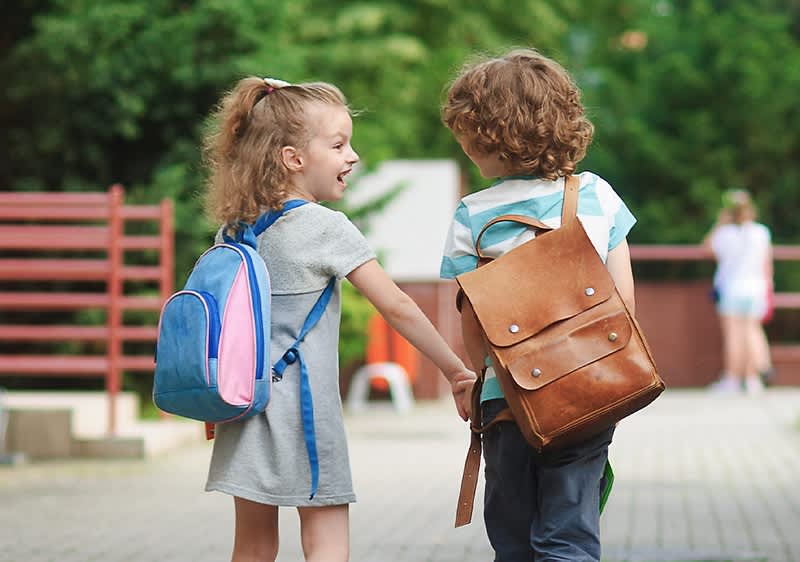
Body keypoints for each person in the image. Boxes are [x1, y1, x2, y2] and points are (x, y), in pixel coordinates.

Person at [201, 76, 475, 562]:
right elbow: (397, 306)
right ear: (294, 158)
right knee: (326, 537)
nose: (353, 156)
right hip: (304, 414)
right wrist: (455, 369)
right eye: (338, 144)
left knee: (253, 543)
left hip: (242, 406)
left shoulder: (235, 228)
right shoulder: (325, 227)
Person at [439, 48, 637, 561]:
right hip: (589, 387)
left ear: (490, 136)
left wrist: (476, 378)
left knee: (514, 533)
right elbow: (624, 302)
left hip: (509, 399)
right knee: (569, 530)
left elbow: (473, 319)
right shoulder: (596, 195)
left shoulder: (470, 216)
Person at [704, 189, 773, 395]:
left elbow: (707, 248)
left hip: (732, 288)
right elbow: (767, 264)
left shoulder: (724, 234)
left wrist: (719, 223)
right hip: (756, 287)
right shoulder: (761, 232)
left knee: (734, 335)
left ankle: (732, 379)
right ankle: (753, 380)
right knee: (752, 332)